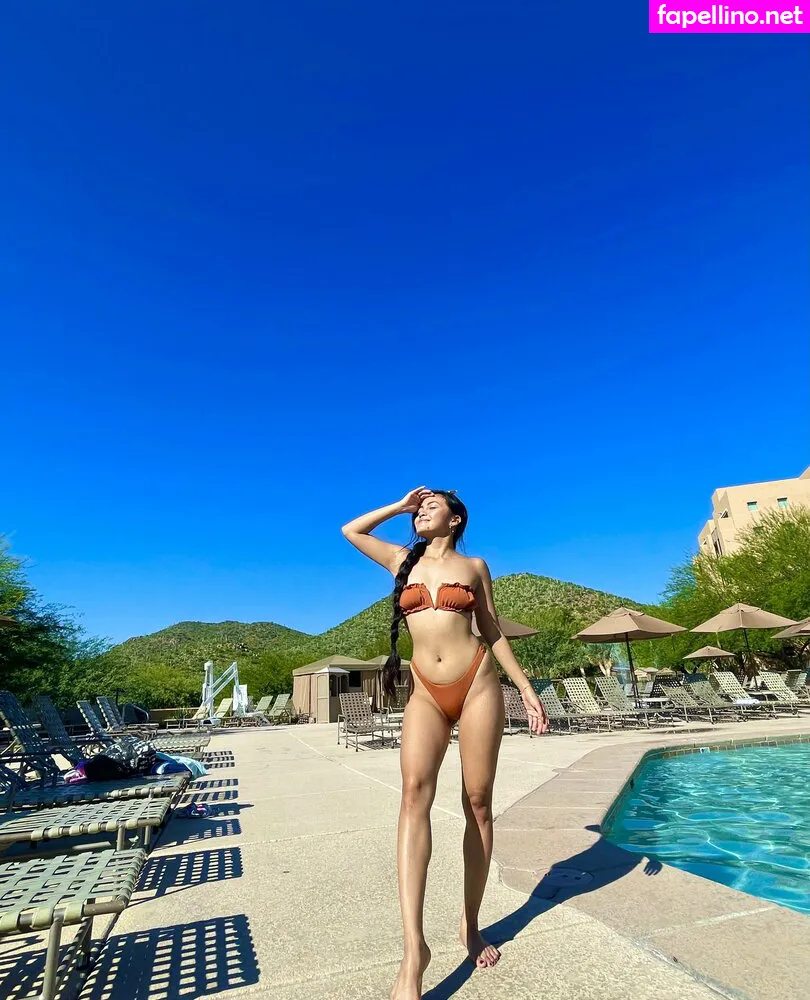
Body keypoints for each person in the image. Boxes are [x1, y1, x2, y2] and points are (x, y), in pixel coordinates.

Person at [342, 486, 549, 1000]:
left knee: (477, 801)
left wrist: (526, 690)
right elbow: (352, 530)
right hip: (425, 692)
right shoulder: (401, 561)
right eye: (420, 507)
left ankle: (470, 925)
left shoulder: (474, 566)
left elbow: (492, 630)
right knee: (413, 795)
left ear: (456, 520)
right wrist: (399, 505)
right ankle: (414, 952)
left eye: (432, 506)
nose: (422, 511)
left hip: (476, 682)